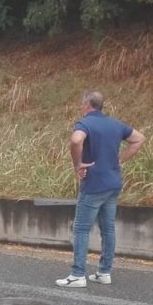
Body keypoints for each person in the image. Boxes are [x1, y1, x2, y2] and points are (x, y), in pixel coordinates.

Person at [56, 90, 145, 288]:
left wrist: (77, 164)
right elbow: (139, 138)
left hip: (94, 184)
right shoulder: (115, 124)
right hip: (113, 184)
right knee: (108, 228)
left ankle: (78, 274)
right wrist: (119, 160)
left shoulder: (85, 123)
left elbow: (76, 140)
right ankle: (104, 272)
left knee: (81, 229)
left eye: (82, 104)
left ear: (87, 105)